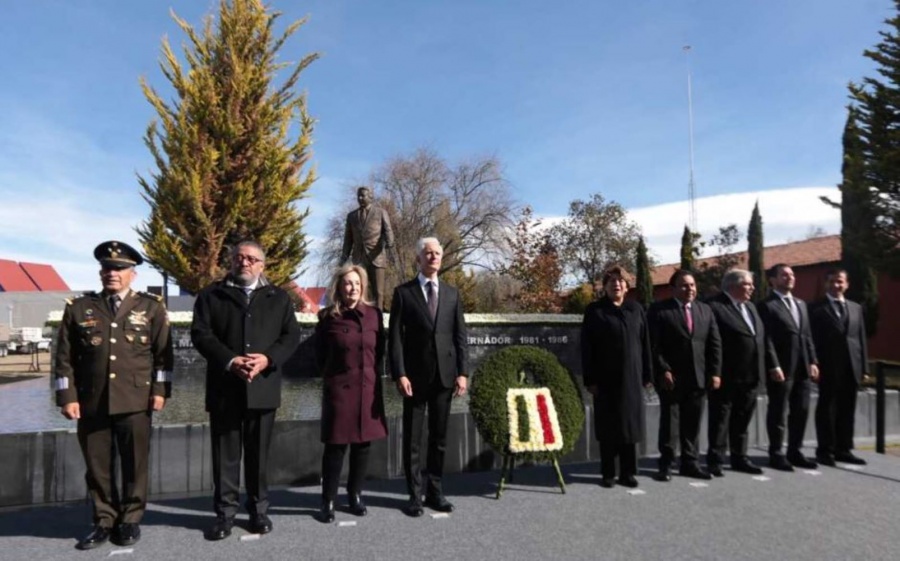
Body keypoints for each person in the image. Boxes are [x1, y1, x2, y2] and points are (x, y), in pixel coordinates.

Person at [55, 240, 173, 550]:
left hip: (135, 399)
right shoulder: (80, 308)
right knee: (97, 465)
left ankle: (130, 519)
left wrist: (160, 391)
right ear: (100, 272)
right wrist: (67, 396)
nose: (113, 273)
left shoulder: (151, 306)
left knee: (135, 463)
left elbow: (163, 356)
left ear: (132, 273)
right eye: (108, 268)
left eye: (120, 269)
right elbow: (63, 359)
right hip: (92, 400)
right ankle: (104, 519)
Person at [191, 240, 301, 540]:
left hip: (263, 389)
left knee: (258, 457)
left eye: (252, 259)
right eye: (239, 257)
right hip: (225, 389)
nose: (245, 263)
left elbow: (291, 336)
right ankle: (225, 515)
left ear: (261, 265)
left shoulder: (277, 297)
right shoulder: (212, 294)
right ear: (231, 261)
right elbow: (200, 334)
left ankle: (258, 512)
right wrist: (229, 360)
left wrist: (268, 359)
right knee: (225, 458)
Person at [389, 237, 468, 516]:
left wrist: (462, 372)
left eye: (437, 253)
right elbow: (395, 339)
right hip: (414, 379)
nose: (433, 257)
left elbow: (461, 337)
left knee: (439, 438)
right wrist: (399, 373)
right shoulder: (403, 293)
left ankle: (435, 492)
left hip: (445, 378)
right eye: (428, 253)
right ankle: (414, 495)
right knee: (412, 439)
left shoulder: (452, 294)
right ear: (418, 259)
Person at [314, 265, 388, 523]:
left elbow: (379, 352)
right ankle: (328, 500)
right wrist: (333, 377)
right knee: (335, 448)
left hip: (367, 389)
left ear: (363, 286)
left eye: (357, 283)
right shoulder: (327, 317)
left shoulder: (374, 315)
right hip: (340, 390)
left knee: (362, 446)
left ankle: (355, 494)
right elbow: (319, 355)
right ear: (339, 287)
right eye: (347, 283)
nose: (353, 288)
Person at [581, 265, 653, 488]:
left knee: (630, 428)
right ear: (605, 286)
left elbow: (645, 343)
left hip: (632, 379)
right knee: (609, 427)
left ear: (627, 285)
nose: (616, 284)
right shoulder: (595, 311)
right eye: (611, 281)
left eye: (620, 281)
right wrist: (590, 379)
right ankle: (608, 473)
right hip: (605, 380)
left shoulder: (636, 309)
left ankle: (628, 473)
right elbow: (587, 348)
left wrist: (647, 374)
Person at [648, 269, 721, 482]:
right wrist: (663, 369)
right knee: (670, 423)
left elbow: (714, 344)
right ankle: (666, 464)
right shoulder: (659, 310)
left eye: (692, 285)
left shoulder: (705, 310)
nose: (689, 289)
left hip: (698, 377)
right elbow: (653, 345)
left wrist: (715, 372)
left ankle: (690, 463)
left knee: (692, 423)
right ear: (673, 289)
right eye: (684, 285)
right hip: (671, 379)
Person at [706, 269, 781, 476]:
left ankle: (740, 457)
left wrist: (773, 365)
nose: (753, 288)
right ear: (733, 285)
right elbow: (712, 342)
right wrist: (714, 372)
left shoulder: (751, 307)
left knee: (743, 419)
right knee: (720, 419)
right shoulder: (715, 306)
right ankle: (716, 460)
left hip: (752, 375)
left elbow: (763, 339)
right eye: (748, 284)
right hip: (727, 376)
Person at [758, 264, 819, 470]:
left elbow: (807, 335)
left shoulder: (801, 304)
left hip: (802, 367)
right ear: (773, 280)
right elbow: (766, 339)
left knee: (801, 410)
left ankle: (795, 451)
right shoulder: (766, 305)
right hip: (781, 368)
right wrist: (773, 365)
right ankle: (776, 453)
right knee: (778, 411)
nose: (790, 278)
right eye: (784, 275)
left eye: (791, 274)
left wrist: (812, 361)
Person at [809, 268, 869, 466]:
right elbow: (810, 339)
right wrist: (813, 362)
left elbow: (860, 339)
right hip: (827, 367)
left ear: (847, 284)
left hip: (851, 367)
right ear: (827, 284)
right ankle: (825, 450)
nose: (837, 285)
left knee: (847, 409)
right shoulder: (815, 308)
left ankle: (844, 449)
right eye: (833, 281)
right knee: (827, 410)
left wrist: (865, 368)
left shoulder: (856, 308)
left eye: (840, 281)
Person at [342, 186, 395, 310]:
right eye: (358, 196)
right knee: (359, 290)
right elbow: (348, 239)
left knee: (378, 292)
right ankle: (360, 317)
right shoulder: (352, 216)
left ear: (370, 197)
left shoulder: (381, 212)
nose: (360, 198)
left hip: (377, 257)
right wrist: (344, 257)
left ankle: (378, 320)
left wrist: (389, 242)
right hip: (358, 258)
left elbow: (388, 230)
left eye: (363, 195)